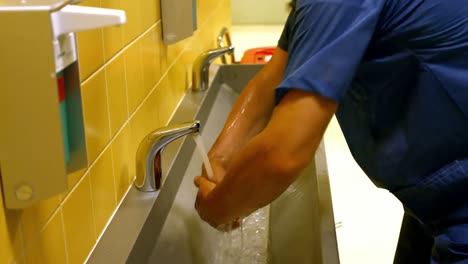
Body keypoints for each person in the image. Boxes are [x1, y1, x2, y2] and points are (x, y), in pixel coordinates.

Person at [193, 0, 468, 262]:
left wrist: (219, 205)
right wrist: (220, 159)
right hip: (437, 200)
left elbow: (282, 156)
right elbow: (270, 80)